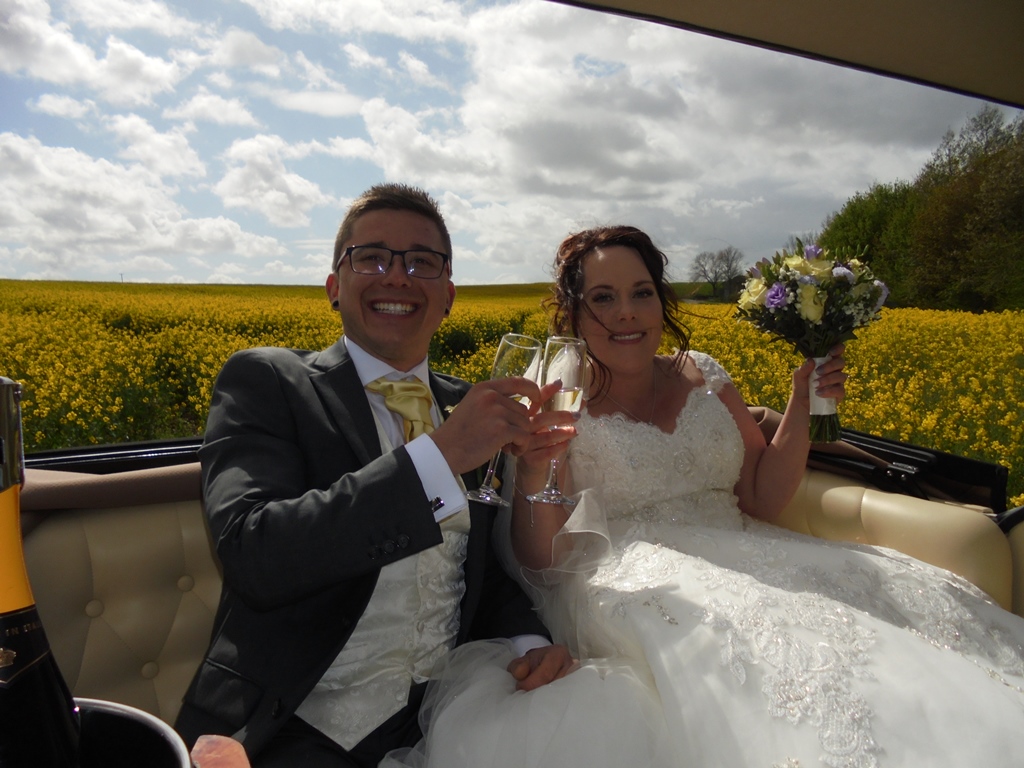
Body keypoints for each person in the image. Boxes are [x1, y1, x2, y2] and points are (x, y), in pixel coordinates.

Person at [385, 225, 1024, 768]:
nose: (626, 312)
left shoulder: (705, 371)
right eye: (603, 298)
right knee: (764, 649)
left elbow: (763, 495)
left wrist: (804, 398)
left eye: (641, 293)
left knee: (885, 640)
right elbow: (542, 560)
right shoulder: (556, 388)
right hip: (625, 573)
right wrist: (534, 472)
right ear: (574, 315)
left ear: (662, 303)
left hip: (747, 547)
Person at [173, 183, 575, 768]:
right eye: (371, 257)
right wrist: (438, 457)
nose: (397, 276)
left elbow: (474, 573)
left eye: (422, 262)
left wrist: (529, 642)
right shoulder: (269, 381)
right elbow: (254, 552)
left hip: (450, 711)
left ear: (449, 296)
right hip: (293, 725)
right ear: (335, 286)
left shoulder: (470, 408)